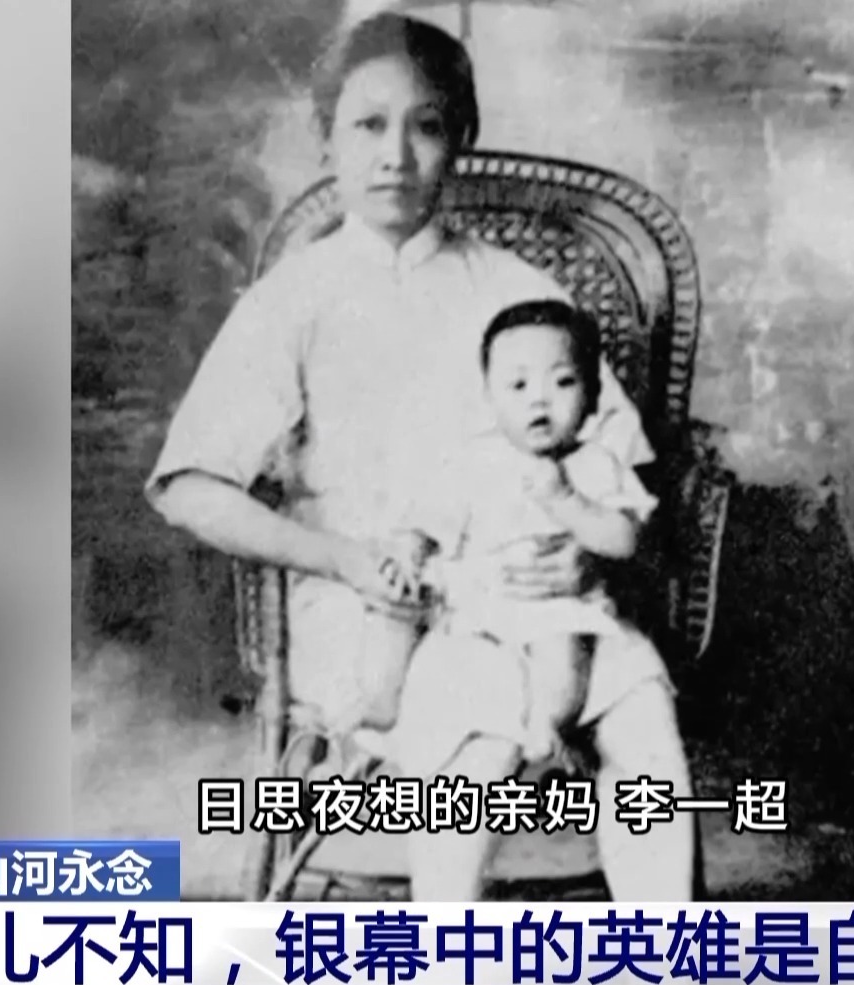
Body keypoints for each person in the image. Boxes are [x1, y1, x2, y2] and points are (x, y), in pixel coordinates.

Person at [144, 12, 696, 901]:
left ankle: (670, 951)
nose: (395, 156)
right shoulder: (293, 299)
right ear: (326, 139)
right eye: (367, 125)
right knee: (465, 716)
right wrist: (342, 557)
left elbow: (619, 462)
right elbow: (189, 486)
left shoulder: (522, 293)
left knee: (640, 715)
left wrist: (585, 552)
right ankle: (449, 950)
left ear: (461, 139)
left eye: (427, 126)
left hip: (541, 602)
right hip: (378, 613)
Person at [393, 299, 657, 768]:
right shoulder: (476, 460)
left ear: (593, 395)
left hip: (557, 605)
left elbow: (624, 539)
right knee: (455, 673)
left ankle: (547, 725)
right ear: (490, 399)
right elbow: (432, 516)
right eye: (518, 385)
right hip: (481, 606)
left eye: (563, 382)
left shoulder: (596, 464)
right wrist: (412, 545)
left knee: (564, 659)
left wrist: (568, 501)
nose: (539, 400)